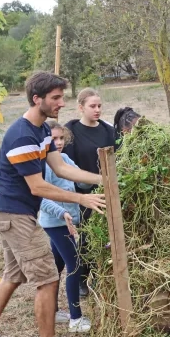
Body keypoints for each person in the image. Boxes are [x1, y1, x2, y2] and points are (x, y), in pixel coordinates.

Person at [0, 71, 105, 337]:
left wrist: (103, 179)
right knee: (47, 278)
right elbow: (38, 186)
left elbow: (60, 169)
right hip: (15, 214)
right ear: (37, 99)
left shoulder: (42, 130)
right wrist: (81, 198)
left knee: (12, 275)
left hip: (11, 213)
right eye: (56, 98)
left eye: (62, 97)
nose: (61, 103)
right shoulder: (22, 136)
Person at [39, 121, 91, 334]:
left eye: (61, 138)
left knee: (58, 266)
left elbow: (81, 182)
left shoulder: (65, 159)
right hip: (57, 223)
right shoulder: (43, 164)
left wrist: (96, 175)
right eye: (53, 139)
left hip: (66, 220)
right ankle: (75, 319)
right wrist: (62, 212)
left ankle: (52, 311)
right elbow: (40, 198)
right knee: (75, 265)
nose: (58, 143)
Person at [64, 88, 116, 296]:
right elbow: (67, 165)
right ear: (81, 107)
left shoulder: (107, 130)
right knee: (87, 236)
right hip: (83, 193)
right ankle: (82, 280)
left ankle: (102, 276)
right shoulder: (71, 131)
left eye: (99, 106)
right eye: (92, 106)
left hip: (108, 189)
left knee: (107, 234)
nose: (97, 110)